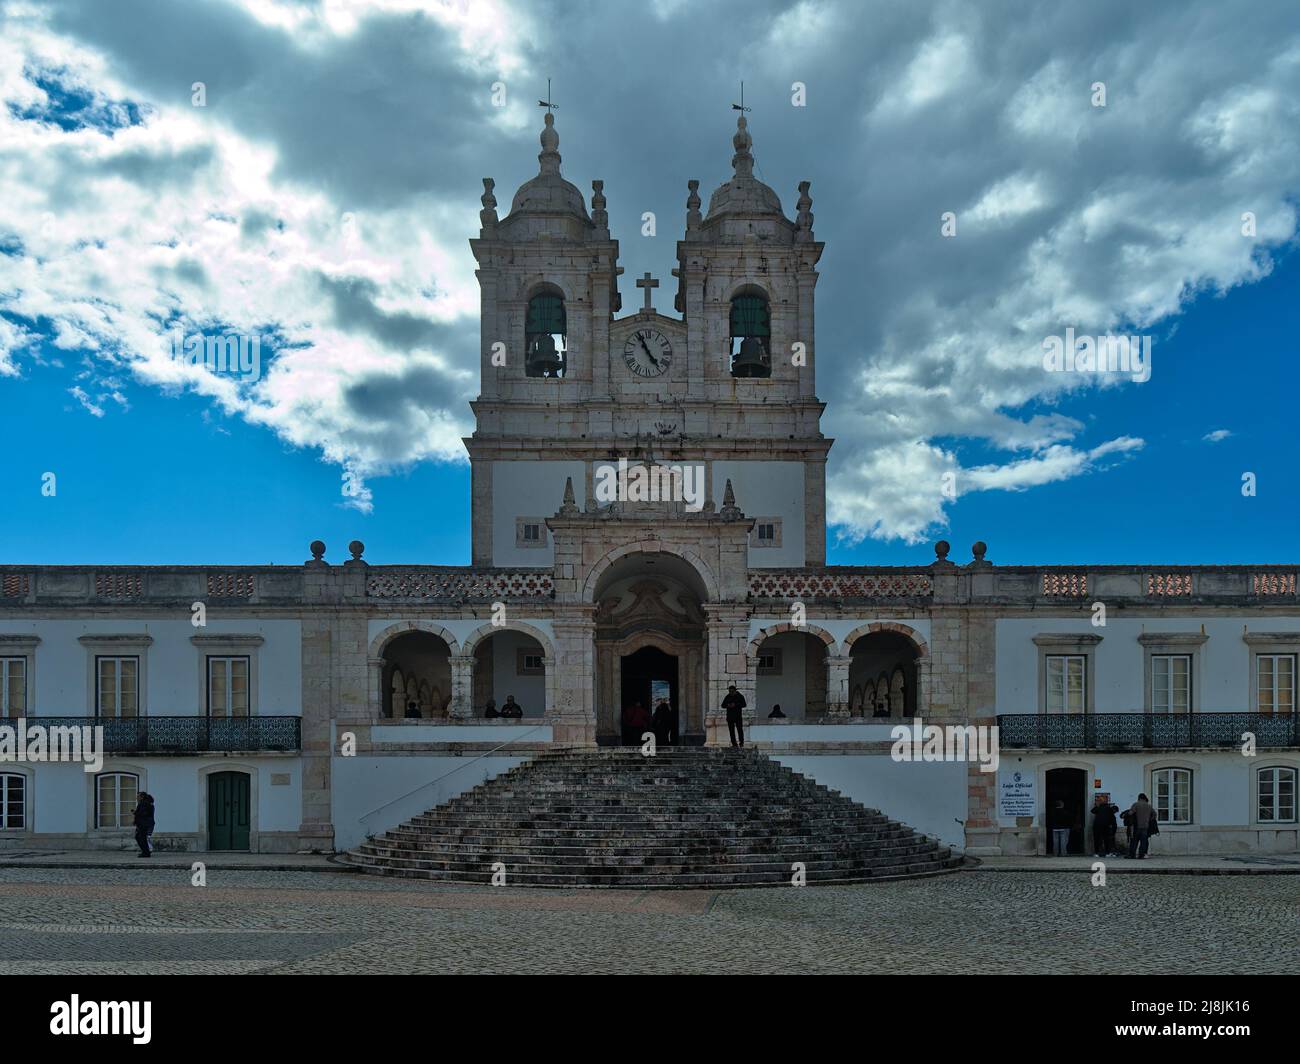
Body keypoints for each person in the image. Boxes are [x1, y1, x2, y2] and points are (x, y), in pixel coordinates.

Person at [1127, 793, 1155, 858]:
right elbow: (1154, 814)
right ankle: (1141, 855)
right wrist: (1149, 819)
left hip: (1137, 826)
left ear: (1139, 798)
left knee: (1134, 841)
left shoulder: (1136, 804)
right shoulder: (1149, 806)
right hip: (1145, 826)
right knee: (1143, 842)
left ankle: (1132, 855)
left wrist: (1128, 814)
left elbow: (1130, 813)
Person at [133, 791, 155, 858]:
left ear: (142, 797)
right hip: (146, 823)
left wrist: (136, 813)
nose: (137, 798)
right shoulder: (148, 803)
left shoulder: (143, 803)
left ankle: (145, 852)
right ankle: (145, 852)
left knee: (141, 838)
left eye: (138, 796)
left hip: (143, 823)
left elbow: (143, 814)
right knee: (140, 837)